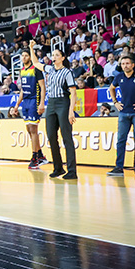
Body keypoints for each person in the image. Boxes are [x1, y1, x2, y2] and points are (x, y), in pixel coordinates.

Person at [28, 43, 78, 180]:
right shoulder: (50, 69)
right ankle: (58, 168)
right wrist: (31, 48)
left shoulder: (67, 72)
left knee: (66, 137)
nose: (54, 57)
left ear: (62, 58)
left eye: (57, 55)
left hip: (63, 103)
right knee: (51, 135)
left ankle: (72, 171)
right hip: (51, 104)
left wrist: (71, 111)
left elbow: (73, 93)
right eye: (53, 55)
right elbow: (36, 63)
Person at [13, 47, 46, 169]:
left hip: (34, 101)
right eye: (22, 56)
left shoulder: (36, 69)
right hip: (25, 102)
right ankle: (40, 155)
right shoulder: (22, 70)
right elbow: (22, 90)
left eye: (26, 55)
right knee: (29, 130)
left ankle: (35, 157)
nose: (24, 58)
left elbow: (43, 87)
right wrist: (17, 104)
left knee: (33, 129)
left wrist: (42, 103)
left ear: (30, 57)